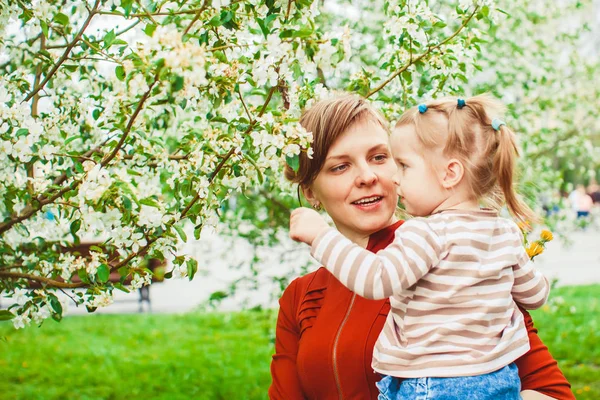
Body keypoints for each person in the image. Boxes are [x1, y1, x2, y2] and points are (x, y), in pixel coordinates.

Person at [269, 94, 575, 400]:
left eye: (380, 157)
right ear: (310, 192)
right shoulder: (301, 296)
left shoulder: (460, 259)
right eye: (340, 167)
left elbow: (551, 392)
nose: (368, 177)